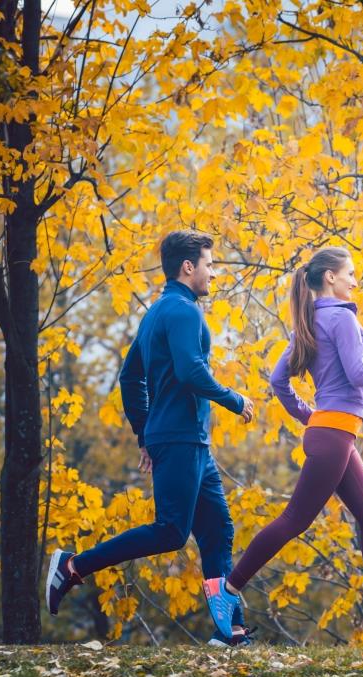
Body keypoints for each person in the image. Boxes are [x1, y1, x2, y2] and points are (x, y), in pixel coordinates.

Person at [202, 246, 363, 646]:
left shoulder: (309, 322)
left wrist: (309, 415)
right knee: (295, 519)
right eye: (351, 273)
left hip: (332, 432)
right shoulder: (340, 317)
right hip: (333, 435)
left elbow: (279, 380)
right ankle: (228, 589)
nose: (355, 281)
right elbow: (358, 373)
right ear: (330, 276)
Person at [46, 230, 256, 647]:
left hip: (185, 439)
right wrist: (235, 399)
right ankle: (73, 566)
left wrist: (145, 432)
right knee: (170, 532)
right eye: (210, 265)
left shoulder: (156, 313)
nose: (214, 274)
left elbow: (130, 377)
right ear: (188, 267)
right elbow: (190, 372)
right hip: (180, 437)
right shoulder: (184, 312)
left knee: (217, 529)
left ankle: (227, 631)